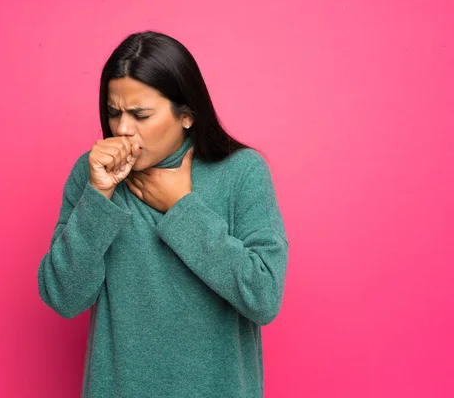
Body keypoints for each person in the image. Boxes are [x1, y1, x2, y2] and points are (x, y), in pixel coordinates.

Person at [38, 30, 288, 397]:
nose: (122, 130)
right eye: (113, 112)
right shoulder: (93, 174)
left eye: (140, 115)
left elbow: (264, 297)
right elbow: (62, 296)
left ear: (186, 114)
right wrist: (99, 195)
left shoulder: (241, 172)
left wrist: (182, 207)